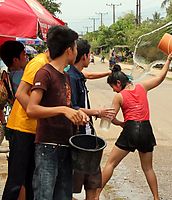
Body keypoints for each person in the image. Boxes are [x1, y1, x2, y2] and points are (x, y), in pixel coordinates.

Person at [96, 52, 172, 200]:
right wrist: (168, 61)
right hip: (146, 129)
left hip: (130, 130)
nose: (113, 90)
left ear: (118, 83)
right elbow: (160, 78)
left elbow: (110, 117)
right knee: (148, 168)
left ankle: (95, 196)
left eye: (113, 86)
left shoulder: (119, 96)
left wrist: (119, 123)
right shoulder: (142, 86)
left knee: (111, 164)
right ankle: (156, 198)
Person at [26, 25, 89, 200]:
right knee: (44, 196)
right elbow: (31, 108)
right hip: (47, 147)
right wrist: (63, 110)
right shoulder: (44, 73)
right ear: (69, 50)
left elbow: (65, 106)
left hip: (66, 145)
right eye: (75, 47)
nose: (76, 51)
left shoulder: (65, 76)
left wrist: (77, 114)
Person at [67, 39, 115, 200]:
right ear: (84, 57)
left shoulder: (78, 75)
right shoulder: (71, 78)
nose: (90, 57)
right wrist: (97, 112)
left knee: (93, 185)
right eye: (90, 54)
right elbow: (72, 107)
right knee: (72, 186)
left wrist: (109, 73)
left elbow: (91, 75)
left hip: (87, 135)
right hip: (78, 140)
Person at [0, 41, 31, 200]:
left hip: (12, 125)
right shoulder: (20, 76)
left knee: (18, 172)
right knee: (21, 174)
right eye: (24, 54)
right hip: (23, 126)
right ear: (15, 60)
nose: (26, 57)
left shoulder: (5, 75)